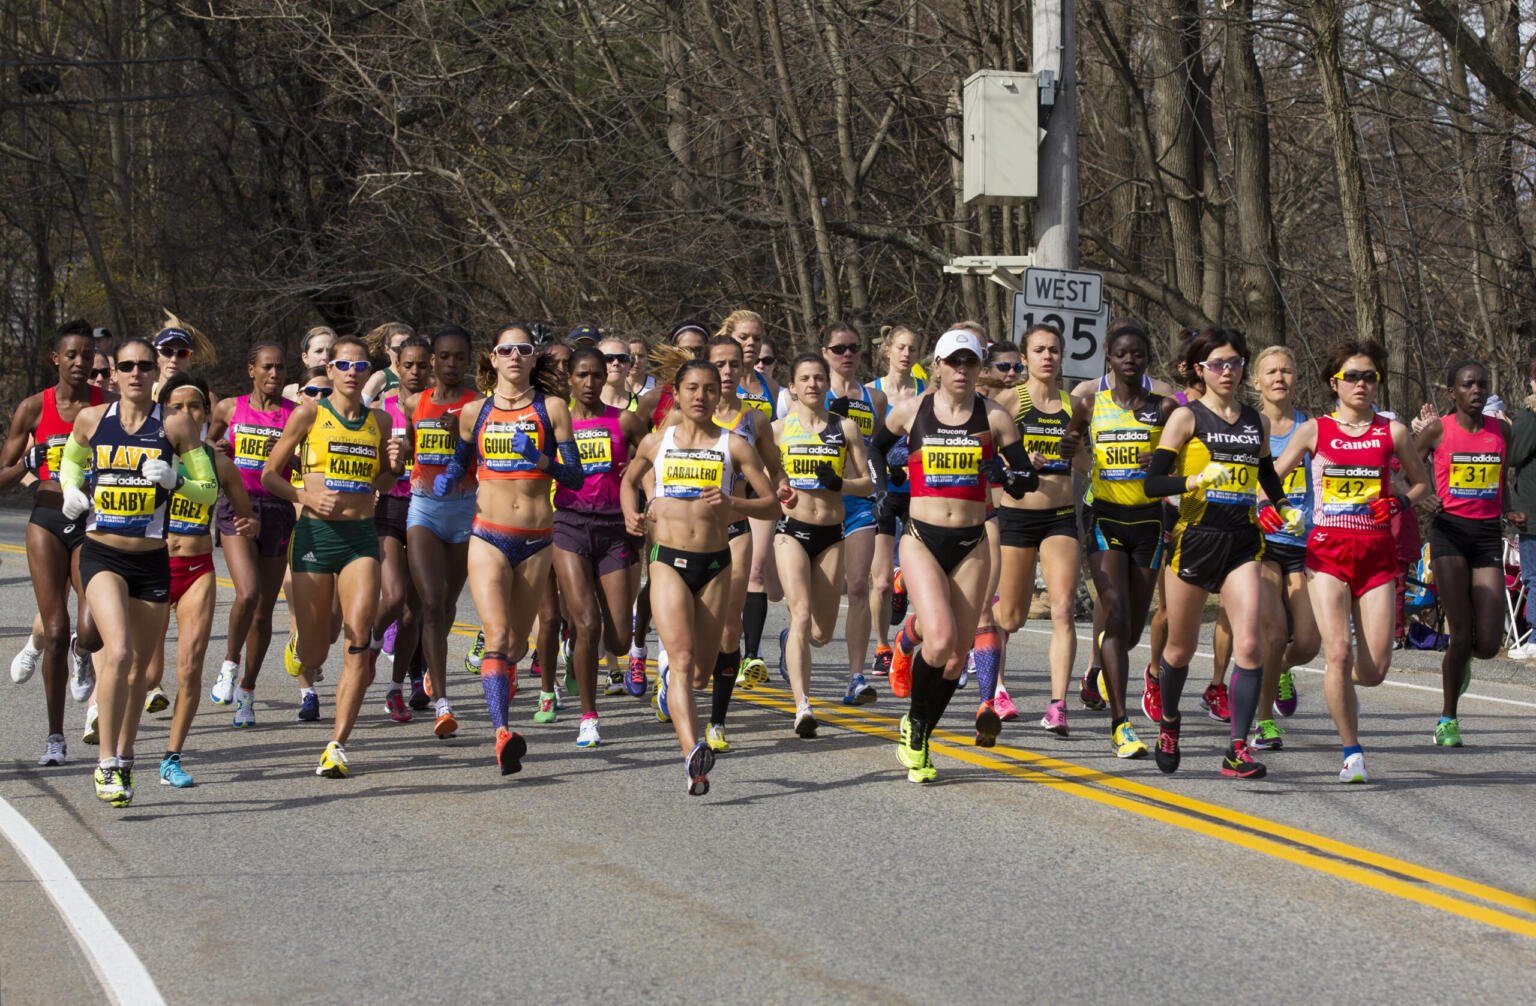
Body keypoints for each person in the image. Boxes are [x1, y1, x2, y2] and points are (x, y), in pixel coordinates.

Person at [60, 336, 217, 805]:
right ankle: (106, 761)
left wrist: (177, 480)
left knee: (139, 676)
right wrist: (71, 489)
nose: (134, 373)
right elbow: (70, 461)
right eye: (126, 365)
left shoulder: (175, 426)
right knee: (122, 652)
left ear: (155, 374)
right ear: (114, 374)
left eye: (144, 365)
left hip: (151, 558)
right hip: (101, 553)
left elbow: (208, 491)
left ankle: (125, 758)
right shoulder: (92, 419)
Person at [877, 330, 1038, 782]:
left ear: (979, 366)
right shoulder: (913, 411)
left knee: (954, 656)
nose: (962, 371)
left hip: (972, 543)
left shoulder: (997, 417)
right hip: (921, 537)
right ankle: (915, 729)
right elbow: (874, 447)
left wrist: (1002, 474)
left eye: (970, 362)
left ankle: (920, 731)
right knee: (942, 637)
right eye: (954, 362)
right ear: (939, 366)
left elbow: (1026, 481)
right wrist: (886, 481)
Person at [1274, 339, 1431, 782]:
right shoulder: (1315, 431)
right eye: (1352, 377)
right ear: (1334, 383)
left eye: (1369, 376)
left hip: (1376, 556)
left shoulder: (1392, 432)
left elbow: (1421, 485)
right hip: (1326, 554)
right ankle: (1351, 752)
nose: (1362, 384)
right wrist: (1269, 504)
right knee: (1338, 652)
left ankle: (1324, 678)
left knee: (1376, 669)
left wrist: (1399, 504)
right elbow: (1273, 478)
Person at [621, 359, 780, 795]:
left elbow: (772, 506)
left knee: (699, 674)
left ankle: (672, 684)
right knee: (685, 656)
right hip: (667, 559)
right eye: (692, 388)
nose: (700, 396)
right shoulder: (658, 442)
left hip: (715, 563)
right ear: (678, 391)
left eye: (709, 389)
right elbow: (629, 479)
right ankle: (693, 754)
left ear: (718, 395)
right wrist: (630, 513)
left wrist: (732, 502)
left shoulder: (735, 446)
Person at [262, 337, 404, 778]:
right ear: (333, 369)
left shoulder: (379, 421)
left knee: (358, 635)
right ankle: (299, 644)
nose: (349, 371)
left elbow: (383, 477)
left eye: (358, 365)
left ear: (367, 372)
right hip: (314, 535)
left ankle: (337, 744)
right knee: (315, 650)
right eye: (342, 364)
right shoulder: (309, 414)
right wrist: (304, 495)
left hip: (360, 537)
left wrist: (395, 467)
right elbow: (269, 475)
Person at [452, 325, 583, 775]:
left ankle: (501, 692)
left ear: (532, 358)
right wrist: (449, 476)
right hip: (487, 533)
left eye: (522, 350)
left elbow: (576, 477)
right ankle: (502, 732)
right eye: (505, 350)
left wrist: (542, 460)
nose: (513, 356)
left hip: (536, 540)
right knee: (498, 634)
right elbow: (458, 459)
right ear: (492, 358)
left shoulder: (553, 409)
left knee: (515, 647)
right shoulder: (475, 411)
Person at [1060, 325, 1173, 759]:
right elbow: (1071, 444)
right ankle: (1120, 724)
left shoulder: (1164, 407)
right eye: (1122, 354)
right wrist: (1072, 447)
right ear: (1109, 357)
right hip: (1105, 516)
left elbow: (1187, 451)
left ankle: (1110, 668)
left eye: (1138, 354)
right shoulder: (1090, 402)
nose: (1130, 360)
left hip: (1149, 521)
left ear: (1147, 358)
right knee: (1117, 608)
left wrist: (1163, 459)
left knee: (1129, 630)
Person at [145, 375, 257, 787]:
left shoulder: (218, 463)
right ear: (162, 413)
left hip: (196, 571)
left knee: (189, 669)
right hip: (152, 569)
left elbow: (246, 515)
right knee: (148, 672)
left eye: (196, 407)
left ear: (208, 416)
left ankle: (171, 758)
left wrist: (249, 523)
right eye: (178, 407)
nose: (188, 415)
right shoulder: (147, 455)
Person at [0, 323, 104, 764]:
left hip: (93, 521)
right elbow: (2, 478)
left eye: (87, 355)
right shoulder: (33, 409)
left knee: (89, 628)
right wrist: (27, 461)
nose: (81, 362)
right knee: (56, 630)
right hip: (46, 519)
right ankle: (55, 738)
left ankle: (84, 654)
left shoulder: (108, 406)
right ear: (55, 360)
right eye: (72, 355)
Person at [672, 338, 782, 745]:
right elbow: (654, 464)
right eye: (720, 364)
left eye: (735, 364)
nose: (728, 371)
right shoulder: (678, 417)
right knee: (687, 627)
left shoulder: (753, 420)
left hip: (735, 526)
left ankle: (717, 720)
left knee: (728, 628)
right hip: (683, 535)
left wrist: (783, 487)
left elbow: (774, 467)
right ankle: (674, 670)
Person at [1413, 360, 1520, 746]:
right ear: (1452, 392)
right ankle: (1448, 718)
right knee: (1460, 634)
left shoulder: (1501, 430)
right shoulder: (1439, 430)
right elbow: (1403, 466)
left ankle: (1463, 663)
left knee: (1489, 644)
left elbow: (1501, 480)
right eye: (1468, 384)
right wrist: (1422, 494)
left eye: (1482, 384)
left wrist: (1508, 508)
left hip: (1487, 534)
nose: (1476, 390)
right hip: (1449, 534)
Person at [553, 346, 647, 746]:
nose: (590, 383)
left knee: (619, 640)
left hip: (614, 528)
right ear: (570, 379)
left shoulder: (623, 421)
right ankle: (588, 717)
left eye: (596, 375)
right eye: (582, 375)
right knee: (588, 622)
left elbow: (652, 459)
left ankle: (580, 647)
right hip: (569, 525)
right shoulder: (557, 422)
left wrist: (639, 476)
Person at [775, 353, 873, 735]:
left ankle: (790, 644)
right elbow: (763, 476)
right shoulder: (779, 430)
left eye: (819, 377)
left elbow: (868, 483)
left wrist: (840, 484)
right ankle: (803, 706)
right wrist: (778, 486)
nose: (813, 384)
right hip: (791, 531)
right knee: (799, 615)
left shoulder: (845, 428)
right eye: (805, 378)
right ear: (793, 388)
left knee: (821, 633)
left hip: (832, 533)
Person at [992, 325, 1082, 740]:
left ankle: (1058, 705)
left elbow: (1086, 463)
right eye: (1039, 350)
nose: (1047, 357)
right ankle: (995, 686)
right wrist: (1017, 462)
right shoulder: (1010, 401)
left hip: (1061, 515)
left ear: (1063, 357)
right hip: (1016, 517)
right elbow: (983, 456)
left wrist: (1075, 452)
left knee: (1064, 608)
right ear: (1024, 359)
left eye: (1054, 350)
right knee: (1010, 615)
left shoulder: (1074, 404)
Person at [206, 344, 300, 723]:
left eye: (280, 367)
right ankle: (229, 664)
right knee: (246, 592)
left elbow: (307, 460)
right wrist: (218, 447)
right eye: (267, 367)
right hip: (237, 506)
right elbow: (204, 445)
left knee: (262, 611)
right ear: (251, 370)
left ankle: (247, 690)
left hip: (277, 510)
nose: (274, 374)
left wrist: (287, 456)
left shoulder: (296, 414)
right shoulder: (230, 408)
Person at [402, 326, 479, 737]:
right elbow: (407, 446)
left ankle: (431, 665)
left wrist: (464, 440)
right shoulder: (415, 401)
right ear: (433, 360)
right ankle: (443, 703)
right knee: (430, 602)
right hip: (425, 509)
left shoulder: (478, 405)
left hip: (465, 509)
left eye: (459, 358)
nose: (451, 364)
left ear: (469, 362)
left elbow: (490, 454)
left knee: (447, 606)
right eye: (444, 357)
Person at [822, 321, 888, 703]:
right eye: (839, 348)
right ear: (825, 352)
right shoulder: (813, 390)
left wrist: (881, 486)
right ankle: (794, 636)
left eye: (854, 348)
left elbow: (876, 448)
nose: (847, 355)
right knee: (823, 605)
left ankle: (856, 676)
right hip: (822, 502)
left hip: (859, 499)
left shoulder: (873, 398)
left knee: (860, 585)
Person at [373, 336, 430, 721]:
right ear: (398, 366)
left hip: (428, 509)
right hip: (390, 507)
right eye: (407, 365)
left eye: (421, 365)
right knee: (393, 597)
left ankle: (396, 687)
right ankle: (368, 646)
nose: (414, 372)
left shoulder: (443, 410)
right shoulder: (381, 410)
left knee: (414, 612)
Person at [868, 324, 927, 679]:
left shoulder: (925, 393)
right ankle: (882, 646)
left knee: (919, 573)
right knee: (880, 581)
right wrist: (880, 482)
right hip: (885, 490)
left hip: (919, 492)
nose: (907, 354)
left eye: (913, 348)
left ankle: (915, 641)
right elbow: (869, 444)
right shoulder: (872, 392)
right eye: (901, 347)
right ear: (888, 350)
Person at [1508, 344, 1536, 660]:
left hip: (1532, 508)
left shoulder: (1530, 415)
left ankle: (1535, 637)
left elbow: (1515, 454)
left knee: (1533, 574)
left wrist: (1512, 427)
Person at [149, 314, 215, 398]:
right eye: (167, 351)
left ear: (190, 358)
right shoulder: (141, 396)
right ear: (155, 354)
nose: (174, 359)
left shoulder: (204, 398)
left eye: (183, 353)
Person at [361, 321, 413, 404]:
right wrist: (384, 403)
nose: (403, 353)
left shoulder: (423, 375)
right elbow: (359, 407)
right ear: (386, 349)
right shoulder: (381, 377)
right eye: (397, 349)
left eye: (408, 347)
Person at [281, 326, 337, 400]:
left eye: (330, 351)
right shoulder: (290, 393)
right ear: (305, 358)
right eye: (319, 351)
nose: (325, 357)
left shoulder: (350, 391)